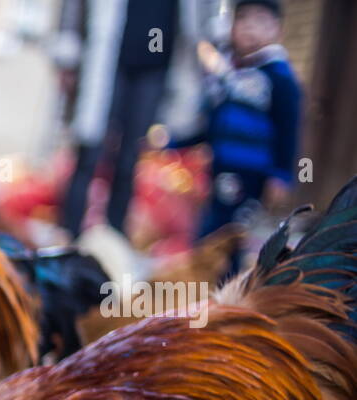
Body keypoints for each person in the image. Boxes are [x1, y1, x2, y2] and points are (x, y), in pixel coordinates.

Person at [53, 0, 216, 238]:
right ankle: (68, 233)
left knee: (130, 160)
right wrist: (69, 56)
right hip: (109, 58)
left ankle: (111, 241)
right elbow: (74, 9)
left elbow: (203, 18)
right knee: (89, 152)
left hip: (154, 64)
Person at [181, 0, 301, 257]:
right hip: (221, 167)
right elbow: (211, 126)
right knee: (212, 228)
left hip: (251, 173)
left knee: (229, 235)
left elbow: (288, 129)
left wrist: (281, 175)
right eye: (243, 19)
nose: (250, 28)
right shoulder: (230, 77)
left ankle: (222, 287)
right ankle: (206, 283)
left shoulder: (279, 77)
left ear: (277, 30)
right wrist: (174, 143)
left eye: (260, 21)